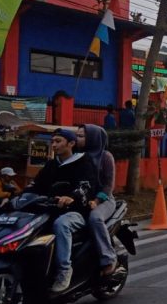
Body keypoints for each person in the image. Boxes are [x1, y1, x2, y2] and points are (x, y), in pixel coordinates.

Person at [28, 129, 100, 292]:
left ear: (71, 143)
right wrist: (19, 196)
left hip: (75, 212)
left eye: (58, 141)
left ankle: (64, 270)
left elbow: (86, 186)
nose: (54, 145)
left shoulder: (84, 162)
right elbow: (36, 184)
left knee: (61, 225)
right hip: (49, 209)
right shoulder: (52, 164)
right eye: (52, 141)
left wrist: (72, 197)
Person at [76, 124, 120, 276]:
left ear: (93, 139)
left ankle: (108, 258)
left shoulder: (105, 157)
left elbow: (108, 185)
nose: (77, 139)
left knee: (95, 218)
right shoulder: (77, 155)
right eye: (77, 135)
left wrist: (96, 201)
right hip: (80, 198)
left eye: (81, 136)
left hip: (104, 199)